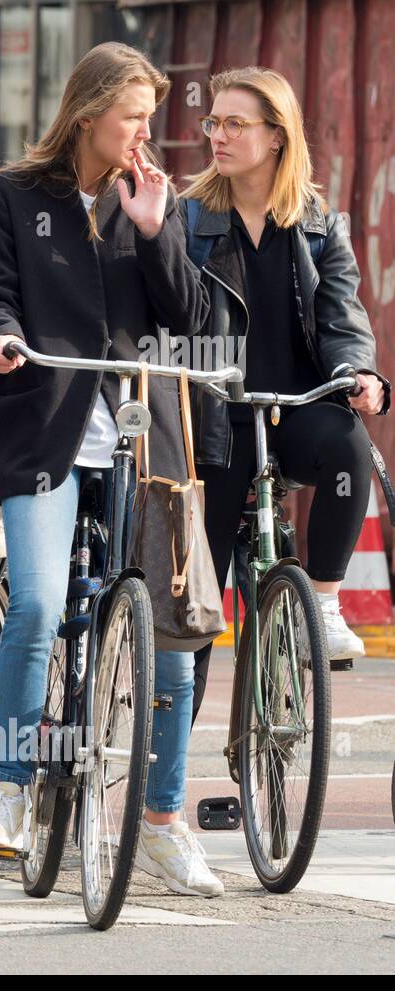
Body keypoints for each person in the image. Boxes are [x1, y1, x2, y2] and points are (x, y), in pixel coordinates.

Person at [0, 42, 225, 897]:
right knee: (36, 605)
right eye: (134, 115)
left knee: (175, 639)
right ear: (87, 115)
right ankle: (6, 785)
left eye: (150, 115)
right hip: (42, 429)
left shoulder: (154, 199)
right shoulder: (11, 196)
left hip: (145, 444)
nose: (148, 130)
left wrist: (154, 233)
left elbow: (185, 318)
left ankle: (161, 819)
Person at [181, 67, 390, 718]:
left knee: (350, 453)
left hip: (294, 410)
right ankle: (166, 776)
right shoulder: (187, 219)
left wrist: (359, 372)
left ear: (276, 137)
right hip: (216, 418)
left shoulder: (317, 223)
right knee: (194, 609)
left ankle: (321, 601)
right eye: (212, 121)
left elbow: (342, 314)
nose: (218, 134)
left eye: (235, 123)